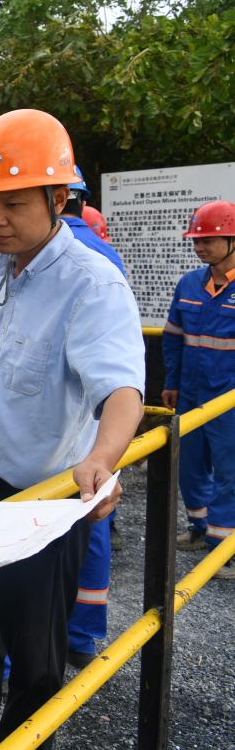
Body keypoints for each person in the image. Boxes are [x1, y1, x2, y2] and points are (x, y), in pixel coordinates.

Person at [0, 109, 142, 750]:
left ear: (57, 198)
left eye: (12, 204)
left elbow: (121, 390)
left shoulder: (92, 284)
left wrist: (103, 458)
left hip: (44, 503)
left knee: (35, 652)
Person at [58, 165, 128, 665]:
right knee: (94, 516)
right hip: (99, 419)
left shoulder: (44, 254)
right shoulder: (107, 254)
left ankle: (11, 658)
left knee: (32, 532)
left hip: (52, 422)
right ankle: (82, 637)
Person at [162, 199, 235, 578]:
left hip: (230, 399)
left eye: (208, 240)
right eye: (196, 240)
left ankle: (224, 549)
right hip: (191, 394)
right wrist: (171, 382)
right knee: (189, 467)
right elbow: (174, 338)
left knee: (230, 472)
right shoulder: (189, 284)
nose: (199, 247)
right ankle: (199, 526)